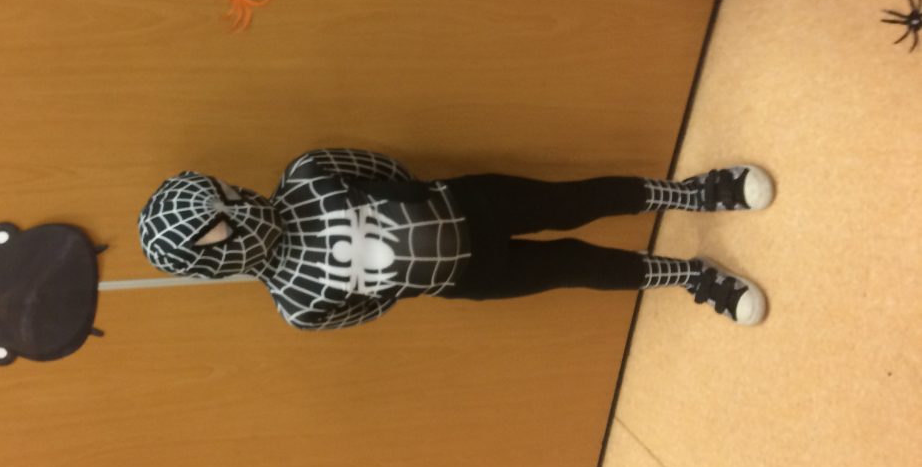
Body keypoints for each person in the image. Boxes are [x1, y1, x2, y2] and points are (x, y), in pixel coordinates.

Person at [137, 148, 772, 330]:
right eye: (219, 229)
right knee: (575, 267)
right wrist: (407, 268)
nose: (239, 212)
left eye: (224, 196)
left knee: (571, 201)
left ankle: (692, 193)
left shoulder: (305, 173)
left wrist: (415, 201)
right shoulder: (296, 306)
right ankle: (691, 276)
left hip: (467, 202)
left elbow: (378, 167)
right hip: (467, 278)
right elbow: (371, 307)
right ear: (211, 264)